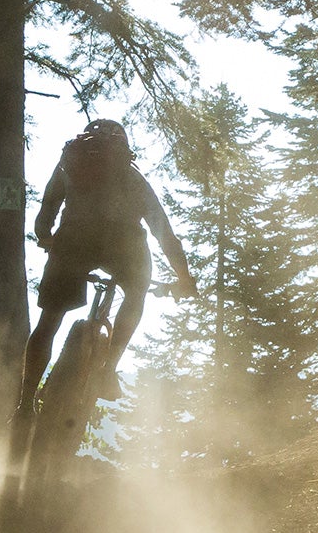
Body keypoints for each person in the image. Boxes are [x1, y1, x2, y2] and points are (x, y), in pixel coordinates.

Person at [17, 118, 197, 416]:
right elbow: (162, 231)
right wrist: (184, 278)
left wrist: (47, 238)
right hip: (123, 248)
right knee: (135, 294)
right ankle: (108, 369)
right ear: (123, 147)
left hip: (73, 243)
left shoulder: (67, 165)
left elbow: (44, 216)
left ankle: (25, 403)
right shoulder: (133, 175)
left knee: (48, 322)